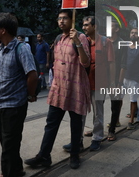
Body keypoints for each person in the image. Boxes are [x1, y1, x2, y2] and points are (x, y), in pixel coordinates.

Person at [25, 9, 90, 170]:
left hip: (75, 89)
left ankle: (75, 155)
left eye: (65, 18)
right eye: (59, 18)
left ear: (71, 20)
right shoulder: (58, 38)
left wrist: (78, 43)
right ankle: (44, 156)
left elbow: (86, 62)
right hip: (59, 89)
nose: (61, 21)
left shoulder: (80, 37)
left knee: (75, 126)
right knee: (51, 124)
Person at [0, 13, 38, 177]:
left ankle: (7, 173)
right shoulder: (0, 48)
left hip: (15, 106)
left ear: (3, 30)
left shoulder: (21, 49)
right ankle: (17, 170)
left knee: (9, 145)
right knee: (6, 142)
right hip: (0, 104)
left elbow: (32, 75)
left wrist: (30, 95)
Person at [63, 16, 114, 148]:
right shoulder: (81, 41)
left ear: (95, 26)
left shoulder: (105, 42)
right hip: (82, 84)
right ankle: (77, 140)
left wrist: (113, 83)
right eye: (83, 25)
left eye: (86, 25)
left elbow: (111, 64)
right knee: (80, 113)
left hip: (99, 83)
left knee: (98, 113)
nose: (84, 28)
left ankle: (97, 139)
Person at [119, 28, 139, 129]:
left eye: (136, 33)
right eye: (132, 32)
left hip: (135, 78)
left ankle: (131, 120)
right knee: (119, 98)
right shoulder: (125, 46)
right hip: (123, 77)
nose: (133, 34)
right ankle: (116, 119)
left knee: (133, 100)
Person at [107, 21, 124, 138]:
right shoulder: (104, 42)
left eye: (112, 26)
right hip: (103, 78)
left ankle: (112, 130)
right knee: (98, 105)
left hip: (116, 78)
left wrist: (119, 83)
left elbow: (123, 65)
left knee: (115, 104)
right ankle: (96, 129)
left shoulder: (122, 44)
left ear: (117, 29)